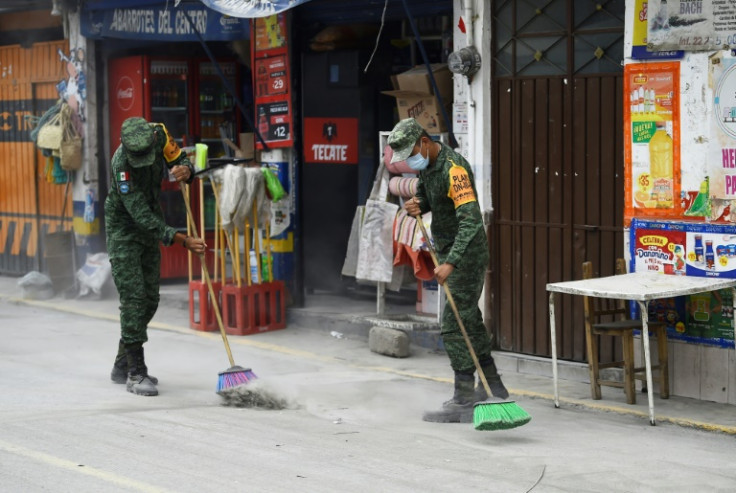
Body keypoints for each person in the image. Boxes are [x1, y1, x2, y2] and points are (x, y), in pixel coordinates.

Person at [387, 118, 508, 423]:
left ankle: (464, 399)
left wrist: (450, 262)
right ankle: (492, 384)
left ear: (424, 142)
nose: (411, 162)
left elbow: (470, 221)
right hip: (449, 253)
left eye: (411, 153)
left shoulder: (455, 170)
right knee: (468, 319)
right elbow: (432, 198)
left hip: (465, 255)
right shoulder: (427, 165)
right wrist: (418, 204)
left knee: (453, 325)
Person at [105, 117, 206, 396]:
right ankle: (136, 373)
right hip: (124, 230)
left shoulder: (159, 133)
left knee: (150, 299)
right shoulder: (121, 166)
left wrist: (185, 169)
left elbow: (179, 158)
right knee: (134, 299)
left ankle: (121, 364)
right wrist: (182, 239)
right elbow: (139, 214)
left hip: (152, 225)